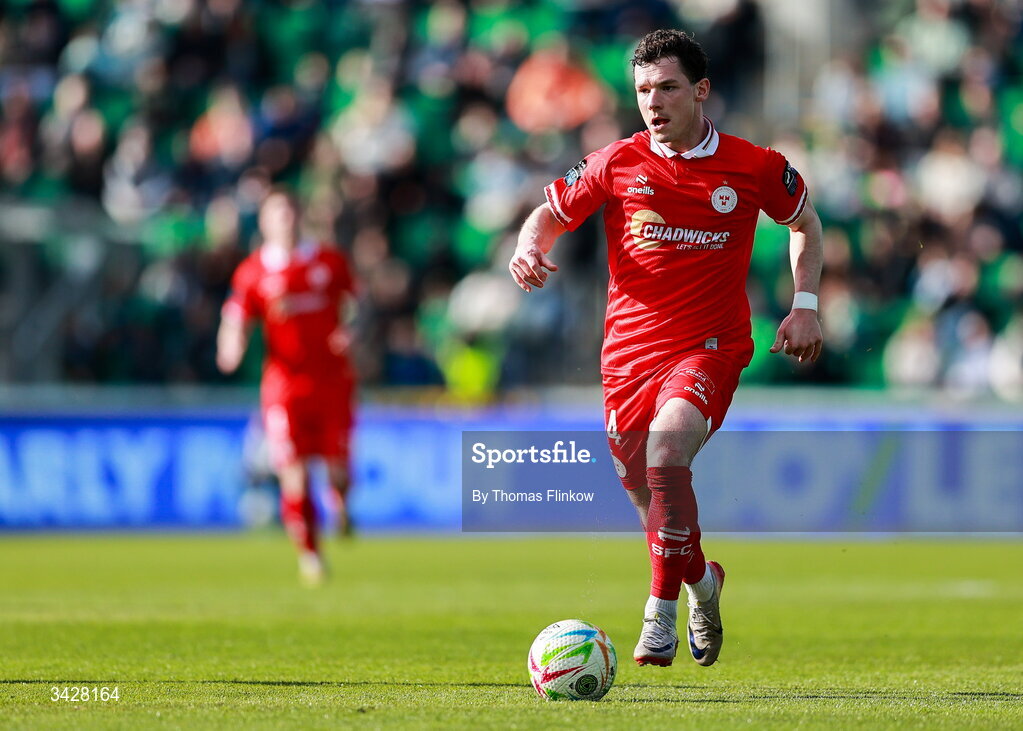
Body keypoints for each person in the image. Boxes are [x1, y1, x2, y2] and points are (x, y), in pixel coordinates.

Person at [509, 29, 823, 668]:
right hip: (627, 358)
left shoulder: (753, 165)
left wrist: (805, 305)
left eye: (668, 87)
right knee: (653, 504)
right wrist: (526, 246)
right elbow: (547, 213)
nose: (653, 102)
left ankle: (660, 616)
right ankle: (704, 583)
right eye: (644, 90)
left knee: (667, 448)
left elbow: (805, 224)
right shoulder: (615, 162)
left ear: (700, 89)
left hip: (711, 346)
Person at [217, 187, 358, 585]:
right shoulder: (253, 271)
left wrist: (351, 332)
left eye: (291, 212)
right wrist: (230, 345)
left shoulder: (329, 262)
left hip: (333, 381)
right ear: (264, 222)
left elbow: (355, 308)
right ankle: (311, 556)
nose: (286, 221)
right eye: (277, 214)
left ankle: (341, 504)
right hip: (284, 386)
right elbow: (235, 316)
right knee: (293, 472)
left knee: (336, 470)